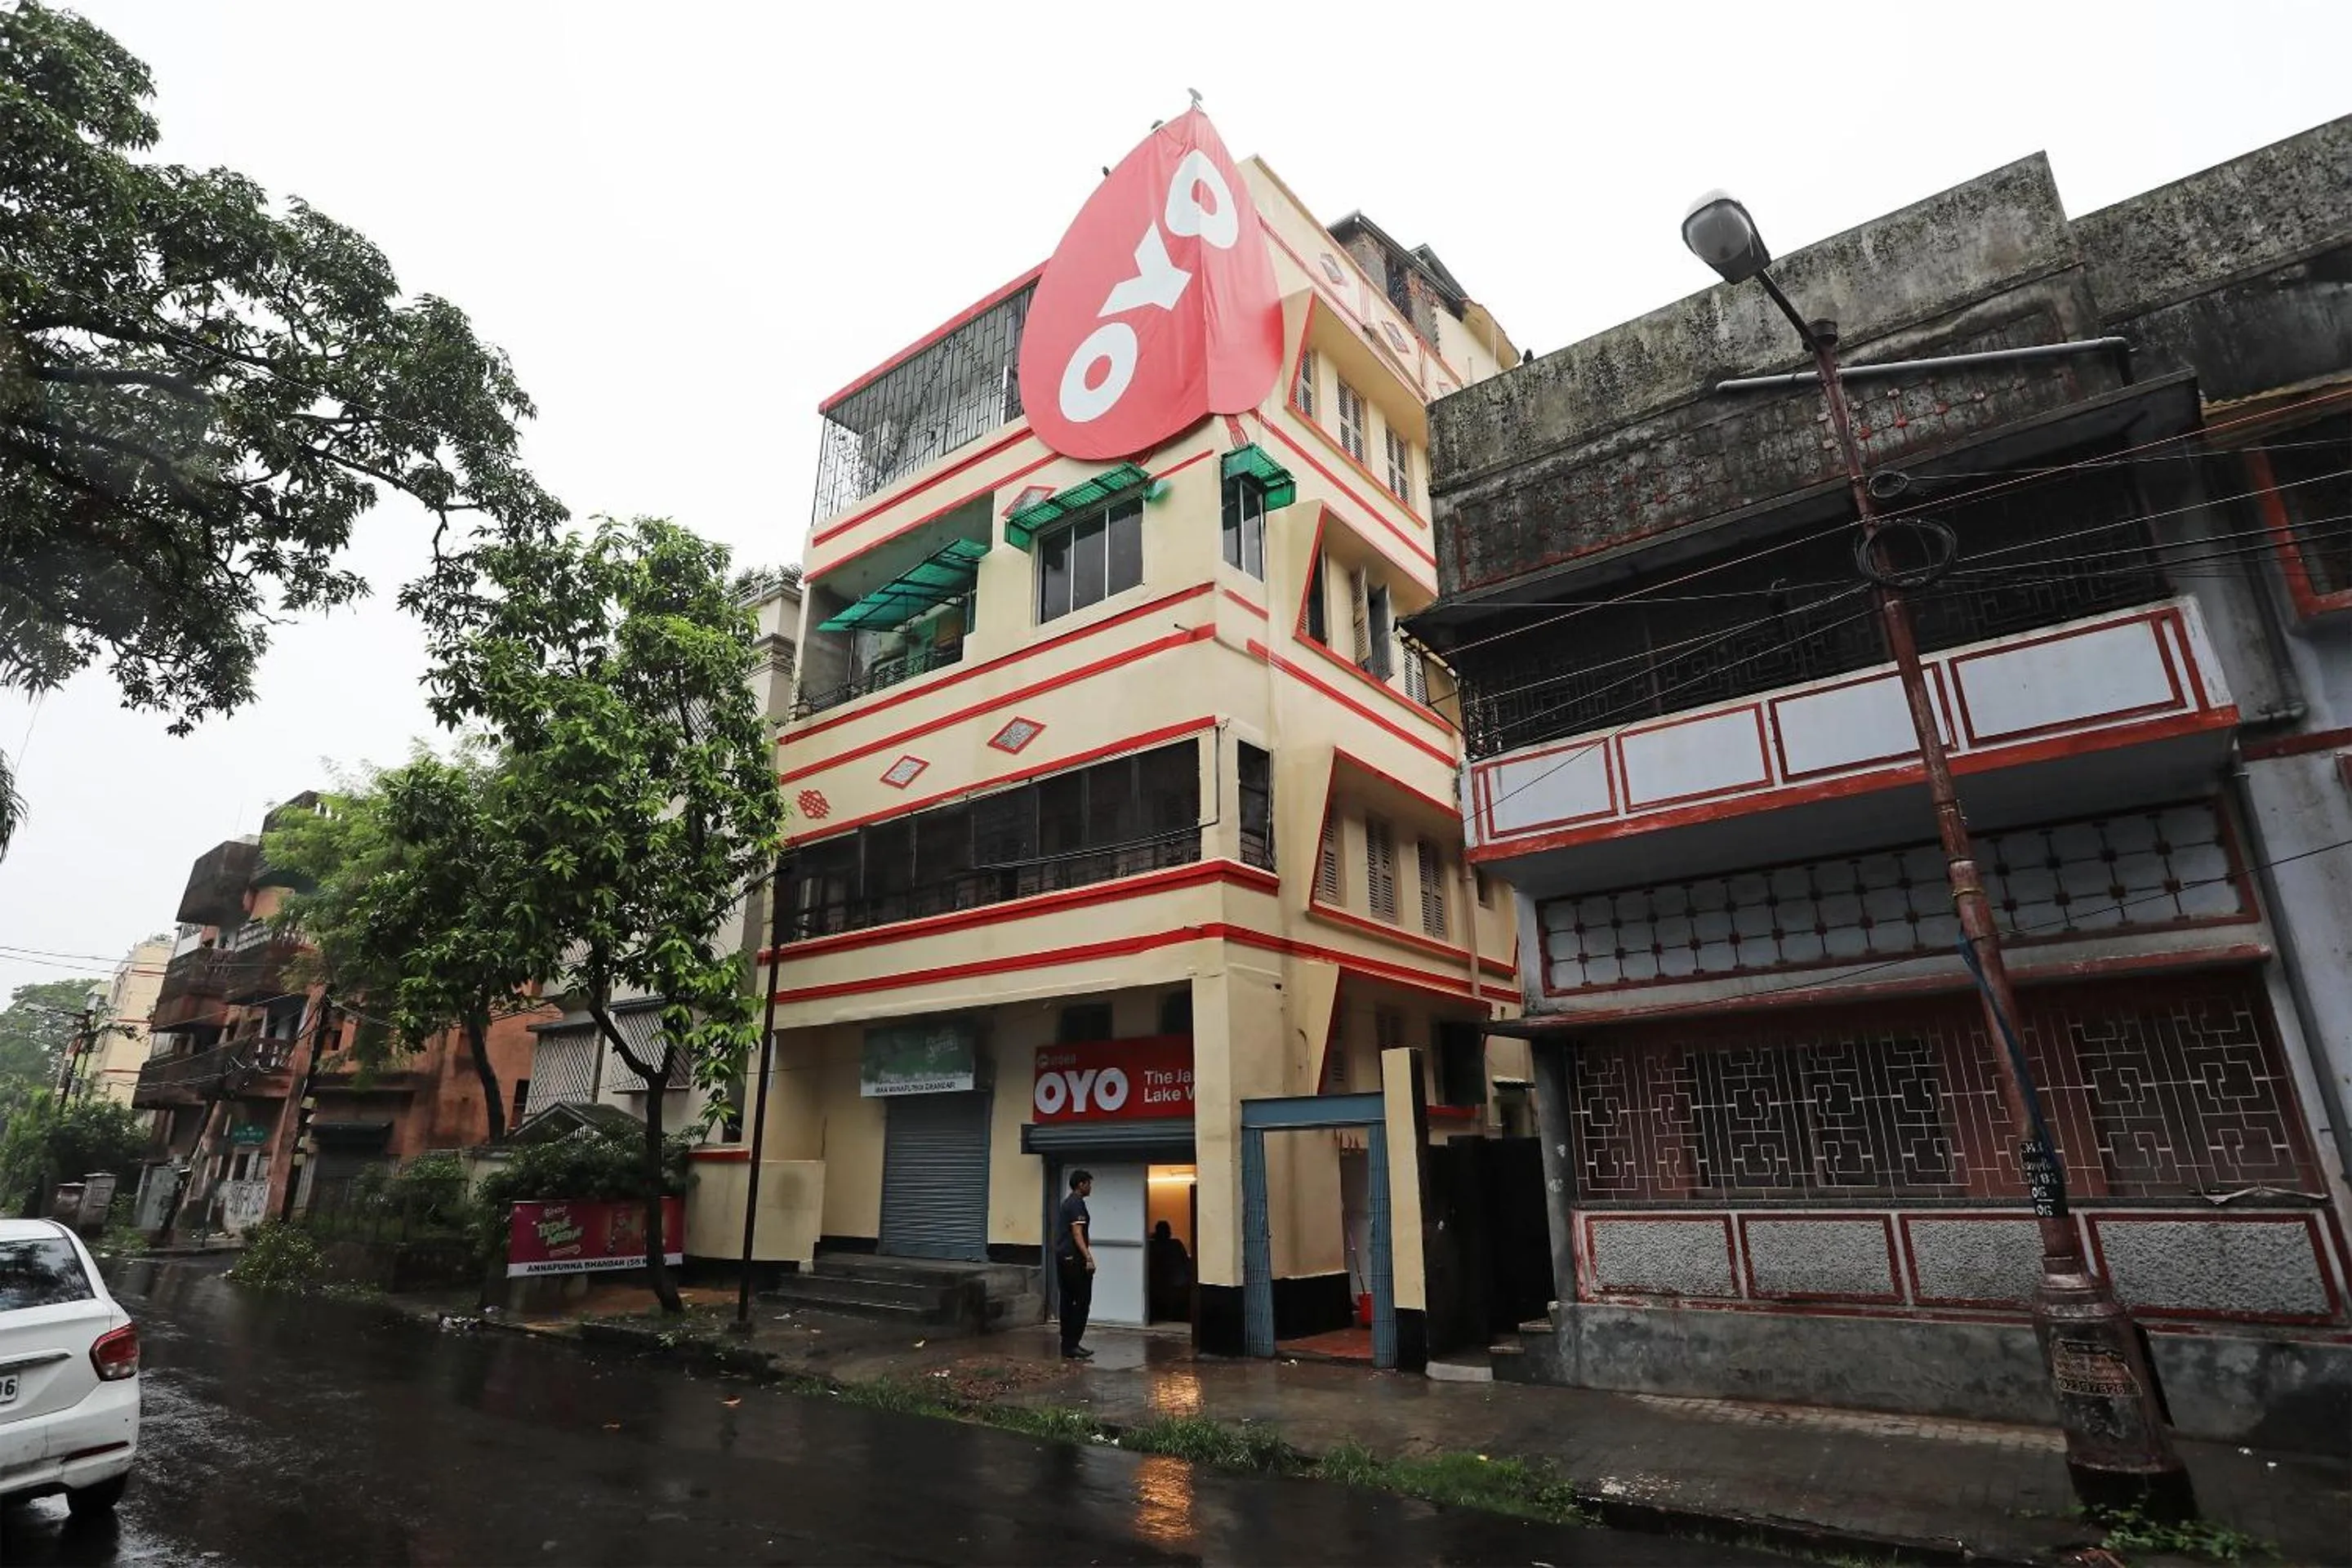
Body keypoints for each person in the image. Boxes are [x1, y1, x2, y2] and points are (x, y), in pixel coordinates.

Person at [1055, 1169, 1096, 1361]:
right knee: (1081, 1301)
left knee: (1067, 1301)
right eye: (1088, 1183)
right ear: (1081, 1184)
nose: (1090, 1187)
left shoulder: (1067, 1203)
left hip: (1064, 1258)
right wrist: (1088, 1257)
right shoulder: (1076, 1204)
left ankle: (1067, 1345)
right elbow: (1077, 1233)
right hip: (1073, 1260)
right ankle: (1073, 1344)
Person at [1148, 1219, 1192, 1322]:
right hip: (1177, 1283)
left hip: (1161, 1283)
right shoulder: (1176, 1244)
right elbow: (1186, 1262)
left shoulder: (1153, 1246)